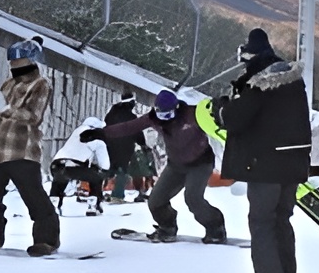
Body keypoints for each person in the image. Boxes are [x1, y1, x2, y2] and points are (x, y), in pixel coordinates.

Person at [212, 28, 311, 273]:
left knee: (262, 225)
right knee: (282, 223)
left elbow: (236, 119)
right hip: (294, 164)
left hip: (265, 166)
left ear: (250, 57)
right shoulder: (293, 80)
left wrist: (221, 108)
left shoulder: (259, 83)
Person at [88, 89, 225, 242]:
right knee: (156, 201)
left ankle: (216, 229)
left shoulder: (192, 114)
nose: (164, 119)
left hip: (201, 163)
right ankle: (167, 228)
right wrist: (102, 133)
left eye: (168, 115)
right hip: (176, 166)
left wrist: (222, 111)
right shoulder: (153, 118)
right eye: (161, 115)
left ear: (176, 108)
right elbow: (128, 127)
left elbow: (216, 120)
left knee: (193, 199)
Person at [0, 37, 60, 256]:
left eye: (18, 62)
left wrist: (4, 108)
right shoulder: (8, 84)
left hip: (23, 151)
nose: (13, 66)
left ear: (31, 61)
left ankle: (47, 240)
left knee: (34, 197)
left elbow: (33, 116)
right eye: (12, 63)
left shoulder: (40, 84)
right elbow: (0, 115)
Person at [48, 117, 110, 215]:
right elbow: (104, 162)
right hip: (75, 165)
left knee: (60, 180)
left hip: (57, 164)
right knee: (96, 177)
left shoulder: (76, 132)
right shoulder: (95, 136)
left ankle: (53, 203)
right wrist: (104, 171)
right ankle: (93, 204)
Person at [102, 91, 140, 202]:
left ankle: (96, 192)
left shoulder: (112, 113)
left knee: (107, 169)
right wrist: (143, 143)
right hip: (125, 148)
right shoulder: (131, 117)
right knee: (122, 171)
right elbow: (137, 132)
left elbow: (106, 123)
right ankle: (117, 196)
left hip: (110, 145)